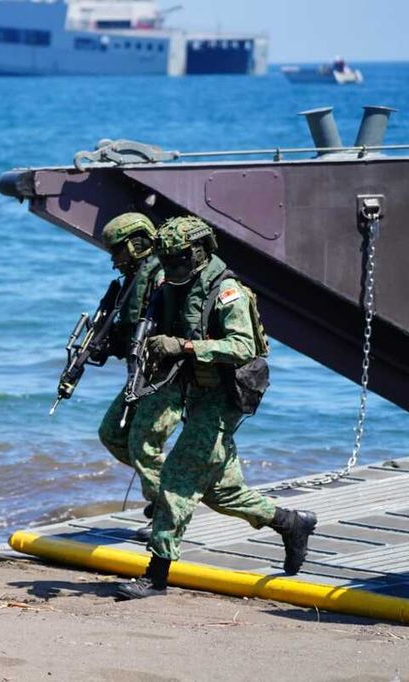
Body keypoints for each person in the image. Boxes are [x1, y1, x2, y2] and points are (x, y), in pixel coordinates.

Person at [116, 216, 317, 600]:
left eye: (178, 259)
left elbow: (244, 347)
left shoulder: (227, 292)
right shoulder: (173, 284)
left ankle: (156, 574)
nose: (171, 267)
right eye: (167, 260)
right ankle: (291, 524)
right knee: (222, 492)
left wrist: (187, 347)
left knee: (176, 479)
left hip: (222, 399)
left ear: (198, 252)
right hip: (195, 393)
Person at [93, 213, 182, 541]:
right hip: (143, 374)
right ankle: (166, 491)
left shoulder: (163, 277)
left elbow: (171, 326)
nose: (114, 260)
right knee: (112, 434)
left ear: (137, 243)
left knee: (143, 444)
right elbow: (130, 331)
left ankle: (167, 513)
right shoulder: (132, 281)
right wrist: (106, 345)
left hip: (167, 376)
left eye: (118, 251)